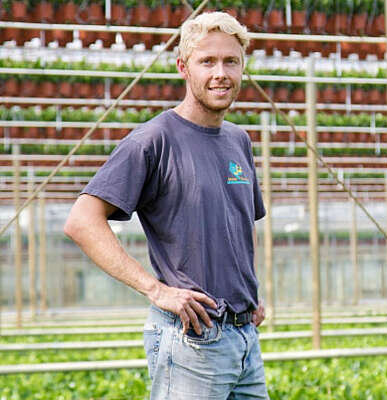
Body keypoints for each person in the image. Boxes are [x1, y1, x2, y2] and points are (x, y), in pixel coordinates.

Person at [64, 12, 270, 399]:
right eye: (206, 61)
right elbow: (81, 221)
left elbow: (241, 225)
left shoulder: (239, 141)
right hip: (191, 341)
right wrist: (156, 290)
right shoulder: (154, 140)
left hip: (245, 340)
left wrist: (252, 292)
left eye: (231, 61)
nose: (220, 73)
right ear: (183, 67)